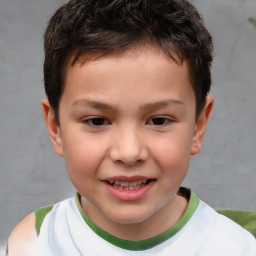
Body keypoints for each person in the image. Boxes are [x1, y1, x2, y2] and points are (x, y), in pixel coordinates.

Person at [7, 0, 256, 255]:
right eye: (97, 121)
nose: (128, 152)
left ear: (197, 126)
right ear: (55, 127)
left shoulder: (237, 246)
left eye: (159, 120)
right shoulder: (35, 243)